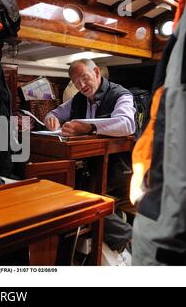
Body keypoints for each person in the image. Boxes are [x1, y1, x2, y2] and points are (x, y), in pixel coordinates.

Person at [43, 58, 136, 254]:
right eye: (76, 82)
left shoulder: (121, 94)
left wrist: (89, 126)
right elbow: (53, 113)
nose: (82, 85)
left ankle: (128, 238)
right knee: (61, 192)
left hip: (119, 168)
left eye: (84, 78)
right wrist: (50, 119)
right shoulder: (78, 98)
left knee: (80, 197)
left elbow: (127, 123)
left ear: (96, 72)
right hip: (91, 166)